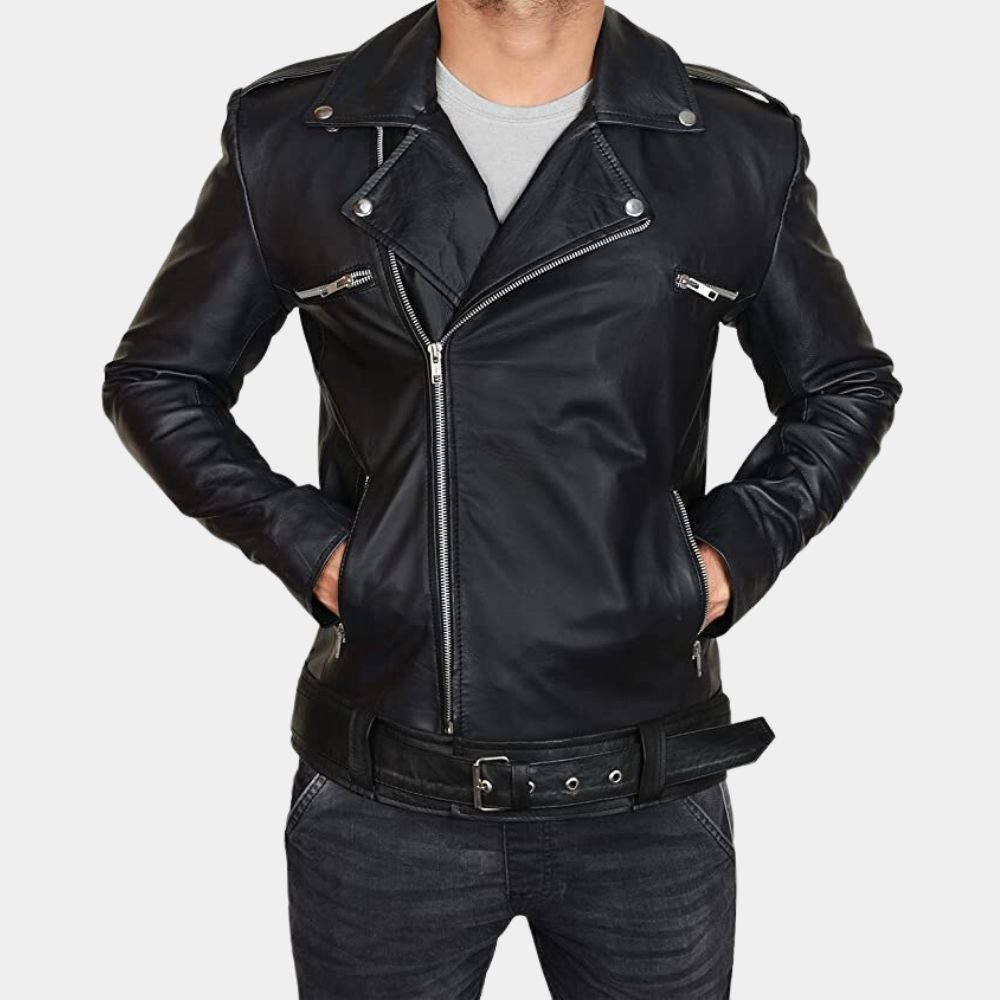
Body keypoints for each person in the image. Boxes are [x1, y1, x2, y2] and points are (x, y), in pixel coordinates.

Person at [101, 1, 902, 996]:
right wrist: (318, 550)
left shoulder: (733, 145)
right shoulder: (300, 136)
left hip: (645, 790)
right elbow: (161, 379)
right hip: (386, 788)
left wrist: (723, 561)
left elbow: (842, 385)